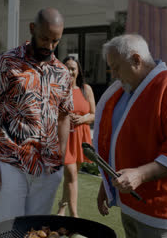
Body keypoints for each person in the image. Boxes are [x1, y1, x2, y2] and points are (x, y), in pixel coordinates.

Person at [95, 34, 167, 238]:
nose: (113, 75)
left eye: (116, 67)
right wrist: (106, 183)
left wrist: (140, 174)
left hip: (163, 213)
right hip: (131, 206)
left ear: (136, 59)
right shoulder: (125, 91)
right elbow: (118, 142)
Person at [0, 8, 72, 228]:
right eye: (44, 39)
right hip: (11, 161)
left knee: (36, 231)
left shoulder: (62, 72)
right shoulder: (7, 62)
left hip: (48, 169)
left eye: (55, 41)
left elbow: (64, 117)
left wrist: (61, 156)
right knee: (5, 229)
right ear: (32, 29)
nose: (49, 46)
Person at [57, 56, 95, 218]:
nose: (70, 71)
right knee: (71, 174)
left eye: (73, 68)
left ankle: (61, 208)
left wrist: (82, 118)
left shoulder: (86, 89)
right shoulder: (57, 89)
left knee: (71, 177)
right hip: (65, 137)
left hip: (81, 136)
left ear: (78, 70)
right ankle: (74, 216)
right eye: (67, 68)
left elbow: (93, 114)